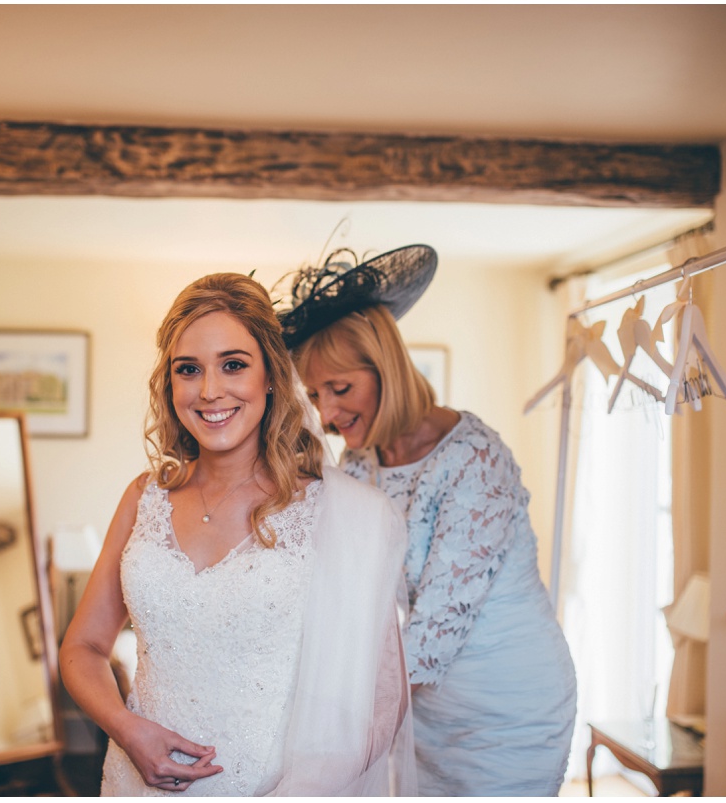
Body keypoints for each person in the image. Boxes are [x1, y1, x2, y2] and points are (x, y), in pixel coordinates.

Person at [59, 272, 416, 796]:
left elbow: (384, 698)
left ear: (271, 376)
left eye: (233, 365)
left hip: (272, 789)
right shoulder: (144, 498)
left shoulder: (336, 513)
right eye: (188, 370)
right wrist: (127, 728)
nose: (209, 391)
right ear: (170, 384)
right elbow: (83, 646)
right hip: (137, 783)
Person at [279, 245, 577, 796]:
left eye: (340, 389)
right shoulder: (360, 462)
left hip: (506, 706)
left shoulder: (476, 461)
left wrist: (337, 724)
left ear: (386, 371)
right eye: (316, 394)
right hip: (419, 711)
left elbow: (436, 629)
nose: (327, 414)